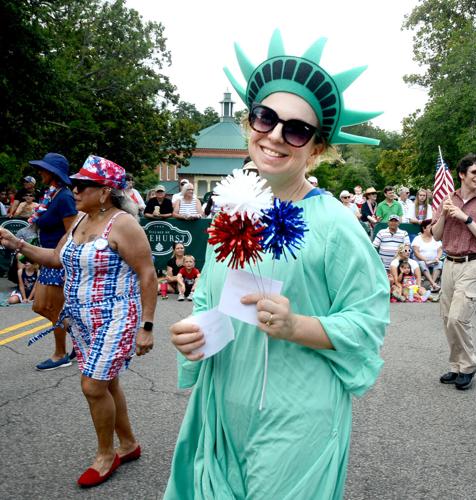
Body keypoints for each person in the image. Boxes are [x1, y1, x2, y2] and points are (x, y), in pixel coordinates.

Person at [166, 29, 389, 499]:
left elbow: (367, 324)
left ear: (318, 148)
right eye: (265, 118)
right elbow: (212, 298)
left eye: (297, 129)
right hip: (223, 405)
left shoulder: (337, 225)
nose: (275, 136)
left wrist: (295, 325)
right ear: (249, 123)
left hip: (299, 418)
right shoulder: (232, 210)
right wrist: (197, 330)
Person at [0, 155, 157, 487]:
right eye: (74, 183)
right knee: (108, 382)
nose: (74, 189)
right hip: (81, 319)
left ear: (105, 191)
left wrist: (147, 326)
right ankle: (128, 444)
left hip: (116, 317)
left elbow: (147, 275)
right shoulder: (80, 221)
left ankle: (106, 455)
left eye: (82, 185)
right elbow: (56, 258)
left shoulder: (123, 224)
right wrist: (18, 244)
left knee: (93, 385)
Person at [431, 153, 476, 390]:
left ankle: (468, 366)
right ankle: (455, 366)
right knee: (447, 319)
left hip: (474, 263)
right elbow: (437, 235)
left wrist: (465, 218)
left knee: (458, 318)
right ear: (462, 175)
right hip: (449, 263)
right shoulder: (448, 199)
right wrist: (444, 214)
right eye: (474, 172)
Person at [29, 153, 78, 370]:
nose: (40, 172)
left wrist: (64, 262)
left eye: (43, 169)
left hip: (57, 260)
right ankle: (79, 335)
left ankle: (60, 355)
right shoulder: (51, 194)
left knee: (54, 309)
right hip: (46, 259)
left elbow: (72, 233)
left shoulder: (65, 197)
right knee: (39, 306)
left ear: (53, 173)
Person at [411, 219, 443, 291]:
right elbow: (416, 252)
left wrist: (437, 257)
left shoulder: (435, 238)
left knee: (440, 263)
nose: (432, 228)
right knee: (422, 263)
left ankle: (432, 284)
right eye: (430, 227)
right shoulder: (417, 238)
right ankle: (433, 284)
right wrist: (426, 260)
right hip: (420, 262)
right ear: (424, 228)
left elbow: (440, 250)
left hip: (433, 261)